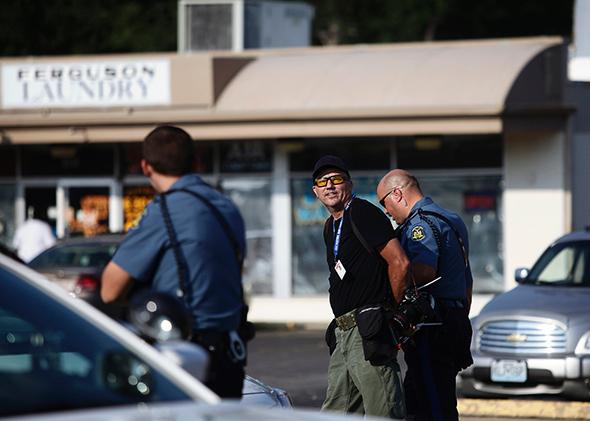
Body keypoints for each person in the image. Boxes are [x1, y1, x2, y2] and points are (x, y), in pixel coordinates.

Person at [100, 125, 247, 398]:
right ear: (196, 161)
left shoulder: (164, 210)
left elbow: (110, 289)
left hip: (185, 355)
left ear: (145, 166)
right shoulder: (227, 207)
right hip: (231, 352)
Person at [312, 155, 408, 419]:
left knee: (383, 409)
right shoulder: (331, 226)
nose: (329, 186)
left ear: (349, 184)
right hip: (343, 331)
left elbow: (399, 262)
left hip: (368, 328)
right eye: (322, 181)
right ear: (315, 191)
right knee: (337, 410)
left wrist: (390, 312)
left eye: (336, 179)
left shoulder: (362, 212)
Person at [377, 169, 474, 421]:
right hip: (454, 319)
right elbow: (466, 281)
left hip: (433, 327)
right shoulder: (452, 218)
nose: (386, 211)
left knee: (432, 404)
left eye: (384, 203)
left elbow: (424, 270)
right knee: (426, 400)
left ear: (397, 193)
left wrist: (390, 283)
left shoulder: (420, 224)